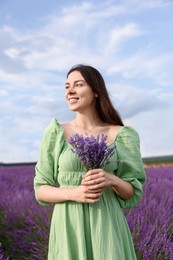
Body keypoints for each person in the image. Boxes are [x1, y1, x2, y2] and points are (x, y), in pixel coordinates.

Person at [34, 64, 146, 260]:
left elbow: (132, 192)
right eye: (67, 86)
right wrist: (75, 193)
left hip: (107, 225)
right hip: (68, 226)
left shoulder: (121, 134)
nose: (70, 91)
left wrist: (111, 179)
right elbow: (41, 189)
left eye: (78, 84)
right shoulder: (56, 132)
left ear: (95, 91)